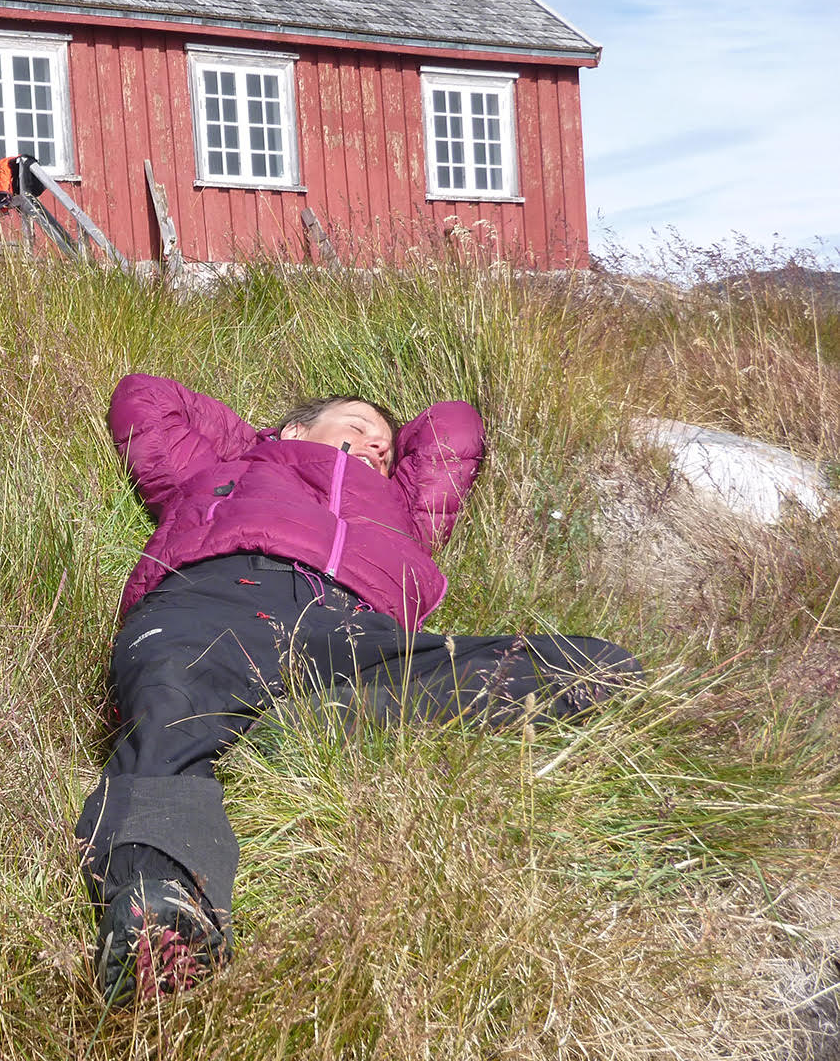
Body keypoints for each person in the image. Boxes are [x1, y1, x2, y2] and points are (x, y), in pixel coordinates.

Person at [76, 375, 640, 1005]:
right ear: (294, 427)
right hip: (215, 596)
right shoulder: (225, 464)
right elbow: (143, 397)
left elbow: (454, 426)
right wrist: (264, 443)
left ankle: (314, 721)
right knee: (168, 718)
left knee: (595, 670)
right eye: (358, 425)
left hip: (351, 622)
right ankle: (163, 908)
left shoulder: (400, 509)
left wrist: (372, 457)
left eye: (388, 446)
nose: (376, 444)